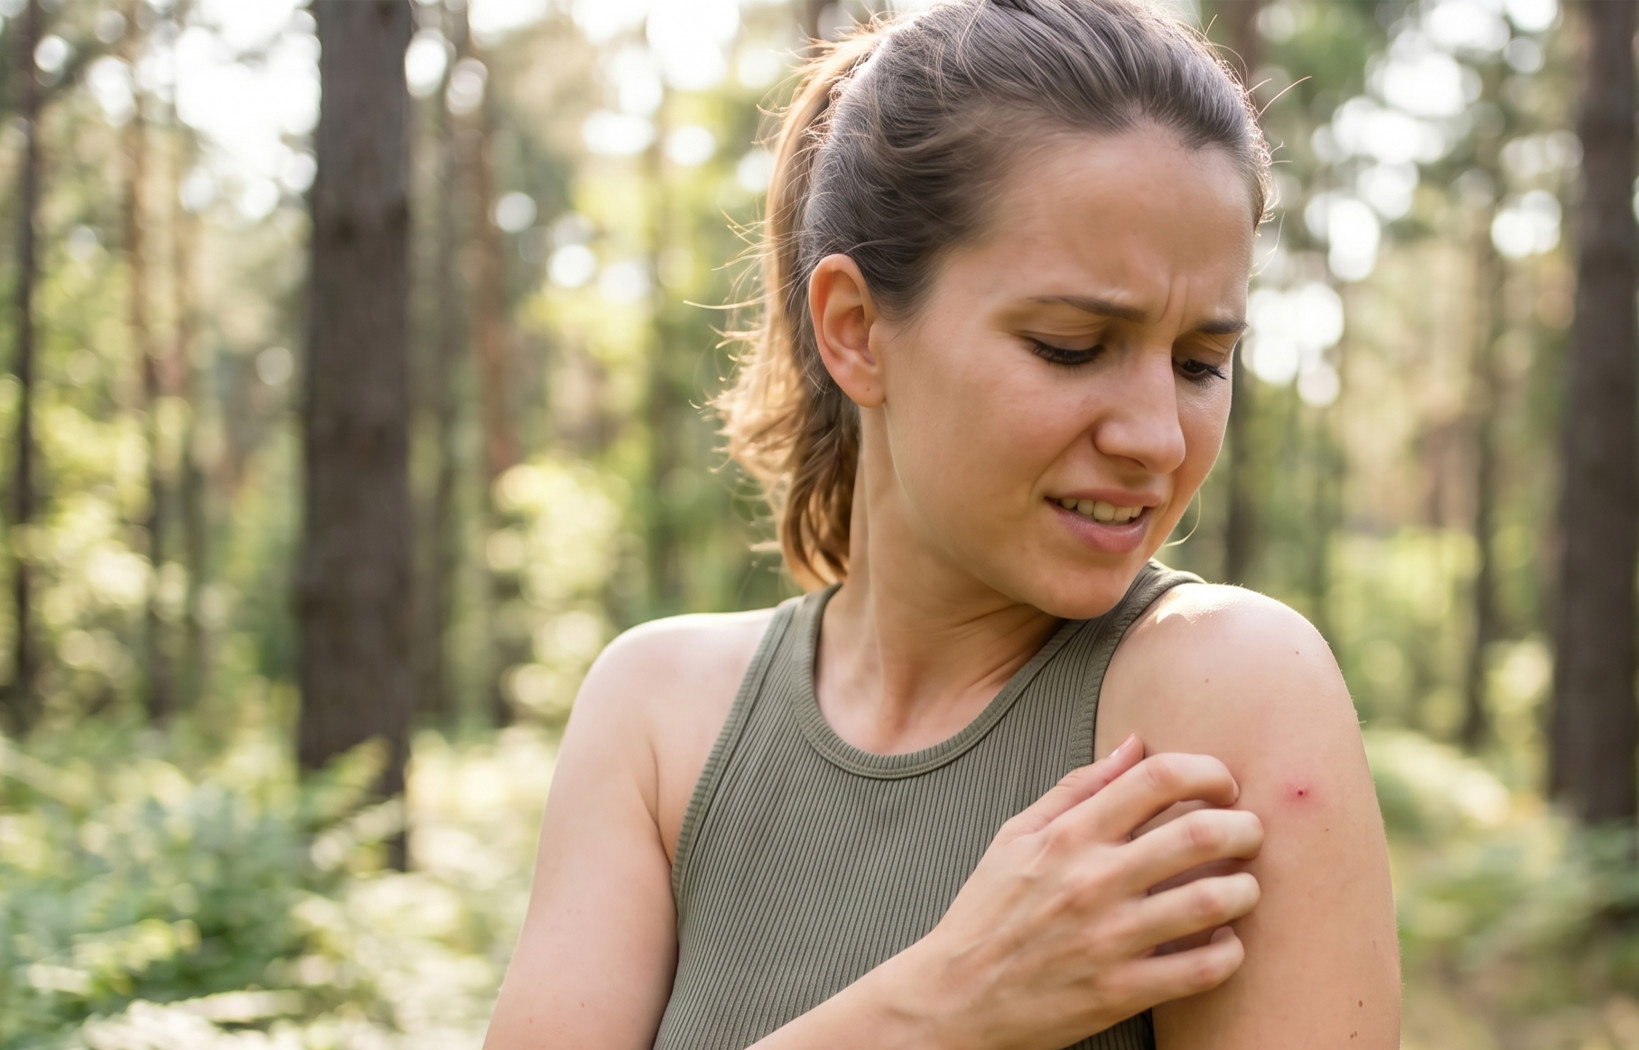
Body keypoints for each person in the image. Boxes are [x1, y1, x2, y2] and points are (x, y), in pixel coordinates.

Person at [482, 0, 1399, 1046]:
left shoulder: (1221, 688)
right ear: (857, 330)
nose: (1156, 436)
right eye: (1068, 344)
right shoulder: (657, 717)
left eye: (1200, 362)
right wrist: (941, 1006)